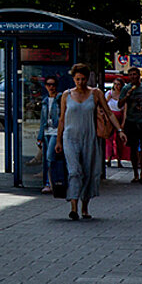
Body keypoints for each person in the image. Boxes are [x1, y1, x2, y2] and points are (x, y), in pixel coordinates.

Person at [55, 63, 125, 220]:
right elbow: (61, 119)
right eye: (77, 79)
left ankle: (84, 207)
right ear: (73, 79)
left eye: (83, 79)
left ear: (88, 79)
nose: (80, 82)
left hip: (89, 137)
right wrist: (58, 141)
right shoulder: (66, 95)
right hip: (70, 137)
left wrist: (120, 130)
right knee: (74, 171)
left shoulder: (96, 93)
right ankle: (73, 207)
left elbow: (109, 113)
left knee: (88, 172)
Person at [116, 67, 142, 183]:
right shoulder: (126, 88)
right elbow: (120, 104)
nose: (133, 77)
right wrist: (127, 96)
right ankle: (135, 173)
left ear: (139, 75)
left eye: (135, 74)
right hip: (131, 121)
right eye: (131, 75)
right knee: (133, 148)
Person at [36, 76, 61, 194]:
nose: (51, 87)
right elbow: (43, 120)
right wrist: (39, 137)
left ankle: (50, 182)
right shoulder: (45, 101)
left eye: (53, 85)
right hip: (46, 132)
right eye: (49, 85)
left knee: (50, 156)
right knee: (47, 159)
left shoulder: (60, 99)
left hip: (56, 131)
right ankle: (49, 182)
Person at [104, 80, 129, 169]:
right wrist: (108, 98)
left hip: (119, 117)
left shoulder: (123, 96)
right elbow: (104, 106)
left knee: (119, 140)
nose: (116, 86)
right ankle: (109, 158)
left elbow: (125, 109)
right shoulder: (108, 94)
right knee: (109, 139)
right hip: (109, 118)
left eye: (118, 84)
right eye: (115, 84)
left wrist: (123, 122)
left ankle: (119, 159)